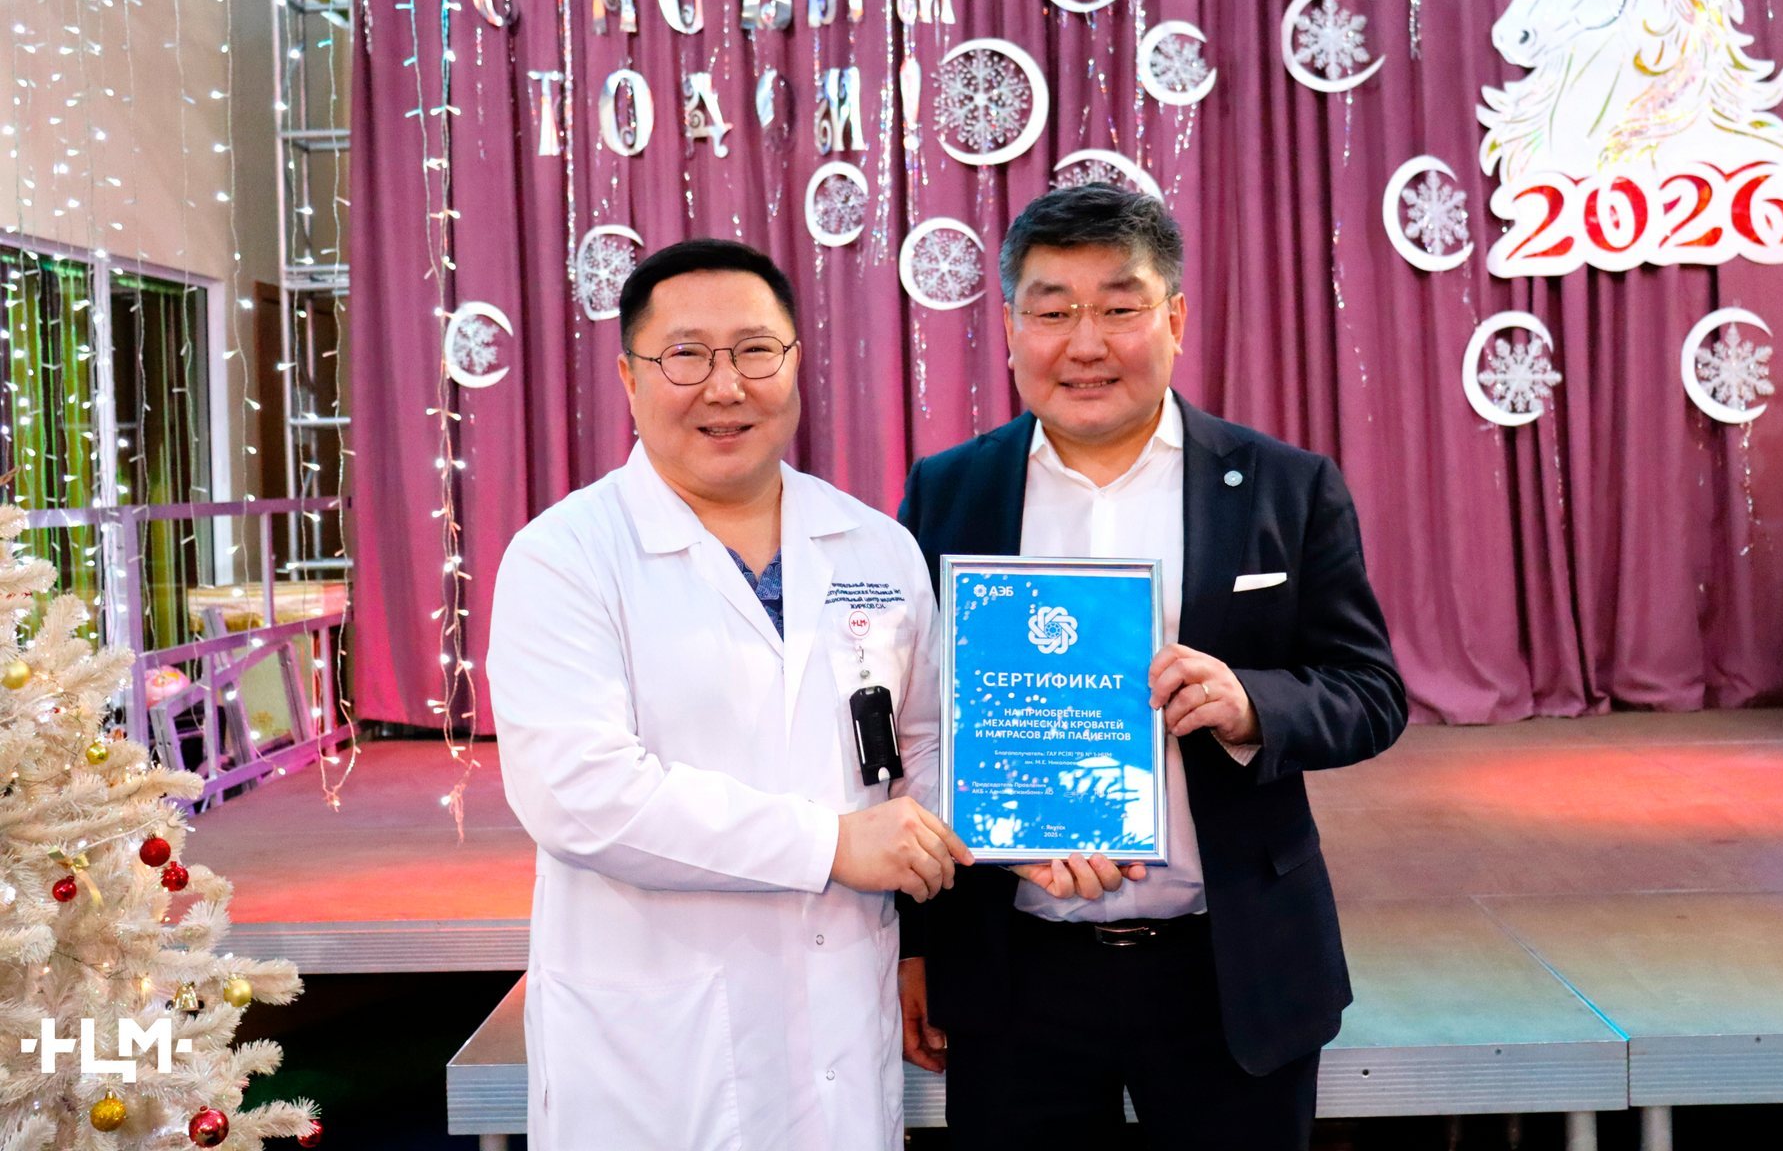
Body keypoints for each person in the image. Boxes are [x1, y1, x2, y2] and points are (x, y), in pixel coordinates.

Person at [896, 185, 1406, 1150]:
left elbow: (1370, 692)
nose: (1085, 344)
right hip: (1014, 968)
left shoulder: (1282, 485)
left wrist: (1251, 703)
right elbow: (913, 722)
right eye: (1053, 312)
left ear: (1173, 318)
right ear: (1009, 330)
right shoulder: (949, 490)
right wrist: (913, 943)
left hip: (1227, 965)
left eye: (1119, 308)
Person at [488, 238, 970, 1150]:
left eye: (756, 351)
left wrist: (1002, 827)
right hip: (654, 1054)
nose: (725, 386)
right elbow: (582, 796)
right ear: (629, 377)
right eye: (686, 355)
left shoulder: (875, 546)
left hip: (841, 1015)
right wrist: (830, 845)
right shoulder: (565, 557)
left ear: (795, 363)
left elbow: (926, 743)